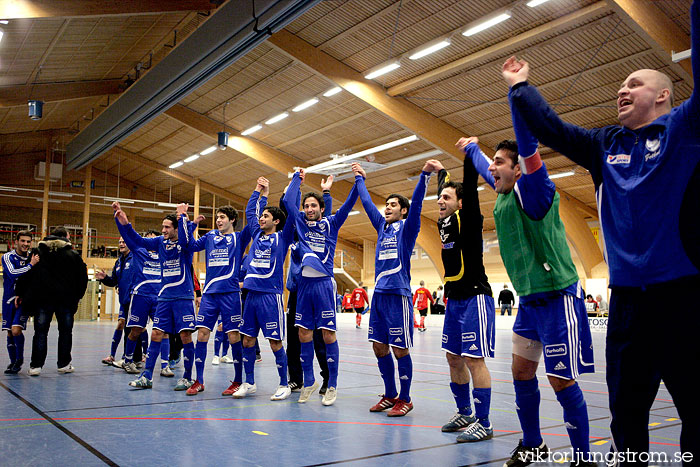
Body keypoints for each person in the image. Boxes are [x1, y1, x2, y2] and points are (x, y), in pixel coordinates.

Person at [503, 3, 700, 458]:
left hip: (685, 298)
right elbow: (552, 128)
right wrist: (521, 88)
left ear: (664, 96)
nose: (622, 90)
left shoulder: (685, 129)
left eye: (634, 84)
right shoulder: (604, 145)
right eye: (621, 84)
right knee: (626, 416)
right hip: (628, 305)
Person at [459, 129, 595, 460]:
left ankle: (583, 457)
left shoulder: (535, 189)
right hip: (529, 302)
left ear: (519, 169)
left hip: (557, 297)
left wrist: (517, 93)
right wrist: (473, 149)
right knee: (522, 373)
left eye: (500, 163)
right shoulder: (504, 192)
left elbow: (527, 154)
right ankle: (534, 443)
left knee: (560, 381)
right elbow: (485, 168)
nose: (493, 168)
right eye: (492, 163)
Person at [352, 160, 434, 417]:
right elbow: (366, 204)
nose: (387, 208)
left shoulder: (408, 229)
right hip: (379, 297)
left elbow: (418, 204)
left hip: (398, 295)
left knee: (400, 348)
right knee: (379, 346)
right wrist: (359, 180)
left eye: (393, 205)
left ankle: (405, 398)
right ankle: (389, 394)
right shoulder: (381, 227)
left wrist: (424, 176)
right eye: (386, 205)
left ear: (404, 210)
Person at [432, 153, 496, 443]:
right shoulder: (444, 220)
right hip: (454, 300)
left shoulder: (468, 216)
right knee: (453, 357)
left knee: (473, 359)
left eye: (446, 197)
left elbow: (467, 186)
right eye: (439, 198)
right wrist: (441, 171)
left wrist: (470, 155)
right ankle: (465, 413)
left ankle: (484, 422)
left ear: (460, 202)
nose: (440, 200)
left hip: (475, 297)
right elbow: (445, 187)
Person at [283, 168, 359, 405]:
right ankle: (309, 381)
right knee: (303, 334)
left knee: (327, 335)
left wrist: (358, 181)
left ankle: (332, 385)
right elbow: (287, 200)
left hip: (324, 285)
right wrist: (298, 178)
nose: (309, 209)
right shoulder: (301, 224)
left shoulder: (332, 224)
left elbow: (348, 204)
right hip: (304, 286)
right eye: (306, 206)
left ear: (321, 208)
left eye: (314, 205)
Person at [114, 205, 197, 390]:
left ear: (176, 228)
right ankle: (147, 376)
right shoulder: (160, 242)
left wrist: (182, 216)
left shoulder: (186, 243)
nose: (163, 230)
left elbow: (186, 238)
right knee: (156, 333)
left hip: (183, 297)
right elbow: (136, 241)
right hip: (164, 297)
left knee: (185, 336)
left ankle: (187, 377)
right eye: (163, 226)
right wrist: (123, 223)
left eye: (167, 227)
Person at [177, 201, 252, 397]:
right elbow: (188, 245)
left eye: (222, 218)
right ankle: (199, 380)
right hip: (210, 294)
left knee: (233, 336)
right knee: (202, 333)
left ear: (232, 220)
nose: (218, 221)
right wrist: (185, 220)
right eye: (217, 218)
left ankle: (237, 380)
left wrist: (258, 194)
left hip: (230, 294)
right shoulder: (210, 236)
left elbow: (252, 223)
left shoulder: (238, 238)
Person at [234, 177, 295, 400]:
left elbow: (293, 215)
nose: (261, 219)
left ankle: (283, 384)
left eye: (266, 216)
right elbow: (250, 211)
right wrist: (261, 192)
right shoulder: (257, 234)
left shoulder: (283, 238)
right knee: (247, 340)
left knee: (275, 342)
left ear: (277, 221)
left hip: (271, 297)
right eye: (261, 216)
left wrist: (292, 190)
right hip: (250, 297)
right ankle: (249, 382)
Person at [281, 181, 333, 394]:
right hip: (296, 292)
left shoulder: (312, 229)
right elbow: (286, 206)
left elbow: (324, 215)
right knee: (293, 339)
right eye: (304, 206)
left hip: (317, 290)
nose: (308, 211)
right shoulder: (292, 230)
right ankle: (296, 379)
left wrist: (327, 192)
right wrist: (292, 185)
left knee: (320, 338)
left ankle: (327, 379)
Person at [15, 227, 87, 376]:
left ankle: (36, 366)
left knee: (40, 332)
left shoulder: (37, 253)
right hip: (66, 302)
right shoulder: (73, 255)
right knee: (65, 332)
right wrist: (77, 297)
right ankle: (64, 364)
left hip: (42, 300)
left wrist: (20, 293)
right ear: (65, 238)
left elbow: (27, 274)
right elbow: (82, 278)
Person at [119, 230, 172, 377]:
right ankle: (128, 360)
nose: (150, 242)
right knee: (135, 330)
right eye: (148, 239)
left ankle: (165, 365)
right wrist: (120, 219)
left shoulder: (164, 252)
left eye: (153, 239)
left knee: (163, 332)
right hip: (140, 296)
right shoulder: (138, 249)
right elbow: (127, 235)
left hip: (159, 297)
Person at [2, 230, 38, 374]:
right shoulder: (8, 257)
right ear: (16, 241)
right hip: (8, 299)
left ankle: (19, 359)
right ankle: (13, 363)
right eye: (22, 241)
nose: (25, 244)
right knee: (10, 332)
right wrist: (30, 266)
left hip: (24, 300)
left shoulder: (32, 257)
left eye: (28, 242)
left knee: (16, 330)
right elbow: (11, 273)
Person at [96, 237, 136, 368]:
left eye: (124, 241)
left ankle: (132, 358)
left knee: (134, 329)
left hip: (135, 300)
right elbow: (114, 281)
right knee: (122, 326)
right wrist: (104, 278)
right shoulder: (118, 262)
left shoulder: (135, 258)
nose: (121, 244)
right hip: (124, 301)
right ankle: (115, 356)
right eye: (119, 242)